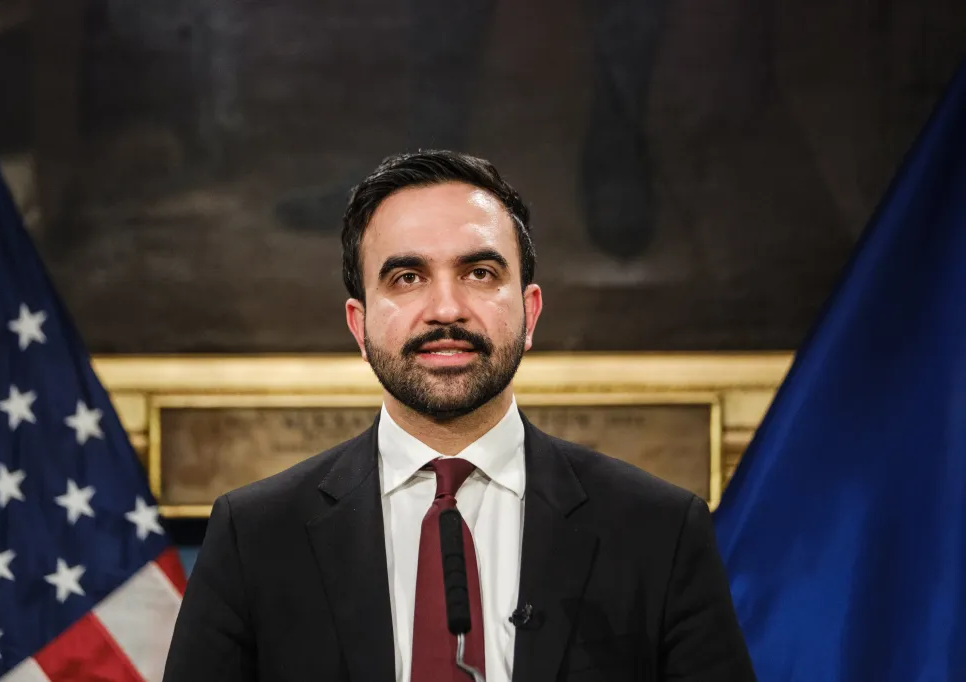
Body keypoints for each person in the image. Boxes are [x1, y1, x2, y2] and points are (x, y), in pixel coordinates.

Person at [163, 150, 756, 681]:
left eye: (480, 273)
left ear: (530, 313)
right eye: (407, 278)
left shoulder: (658, 530)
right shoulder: (255, 536)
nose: (446, 308)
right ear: (359, 326)